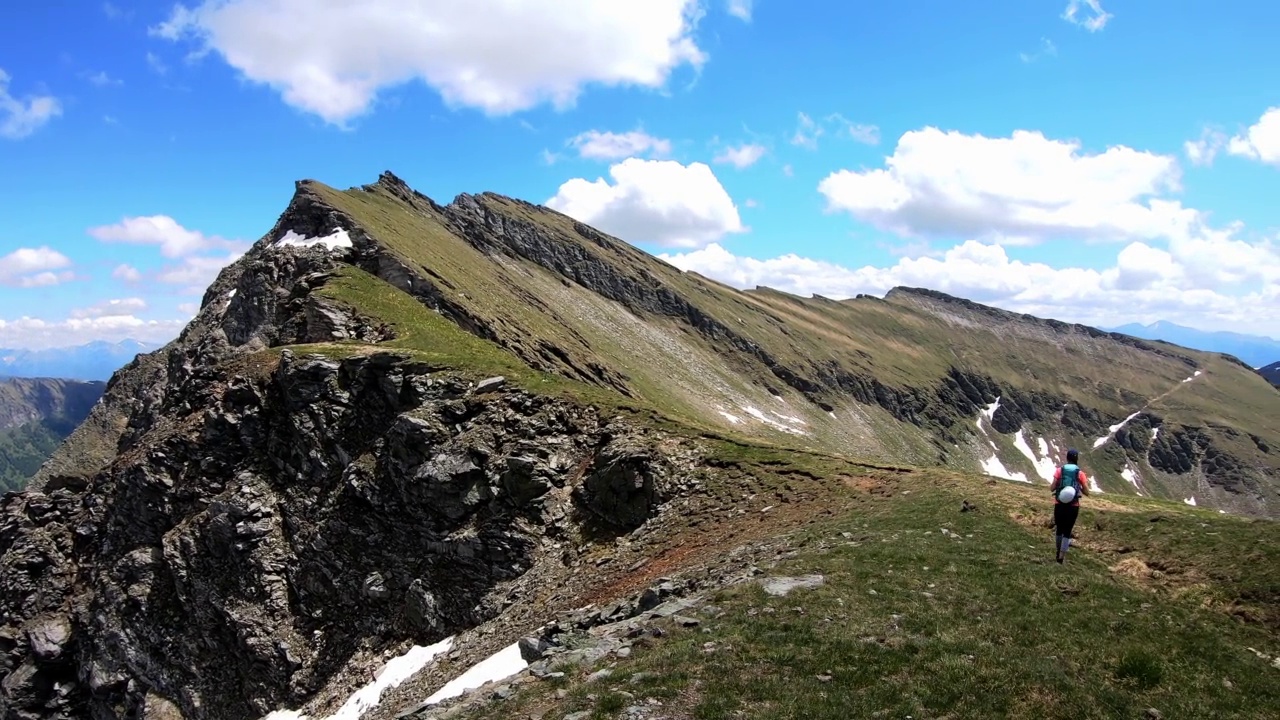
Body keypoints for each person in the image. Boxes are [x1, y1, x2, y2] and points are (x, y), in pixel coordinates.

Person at [1049, 448, 1090, 563]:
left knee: (1059, 529)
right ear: (1077, 459)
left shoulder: (1059, 471)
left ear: (1067, 458)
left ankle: (1057, 551)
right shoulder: (1080, 473)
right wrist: (1079, 487)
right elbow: (1087, 492)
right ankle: (1061, 556)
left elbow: (1051, 488)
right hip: (1073, 505)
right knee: (1067, 530)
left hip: (1059, 504)